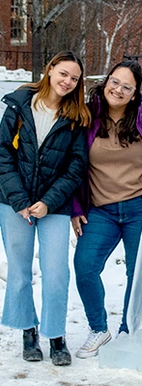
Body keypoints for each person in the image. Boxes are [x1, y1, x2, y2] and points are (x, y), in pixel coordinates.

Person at [0, 51, 91, 366]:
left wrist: (48, 201)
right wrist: (21, 201)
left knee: (56, 273)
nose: (67, 81)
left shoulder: (76, 116)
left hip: (55, 205)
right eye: (63, 73)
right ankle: (29, 331)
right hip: (14, 203)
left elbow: (76, 166)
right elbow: (2, 154)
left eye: (74, 78)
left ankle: (56, 336)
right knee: (20, 271)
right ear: (50, 69)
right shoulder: (19, 104)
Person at [72, 60, 142, 358]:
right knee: (85, 265)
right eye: (115, 82)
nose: (119, 90)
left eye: (127, 86)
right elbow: (72, 164)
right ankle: (99, 328)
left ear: (136, 92)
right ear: (106, 80)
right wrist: (75, 207)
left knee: (138, 274)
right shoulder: (87, 116)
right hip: (101, 209)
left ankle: (129, 330)